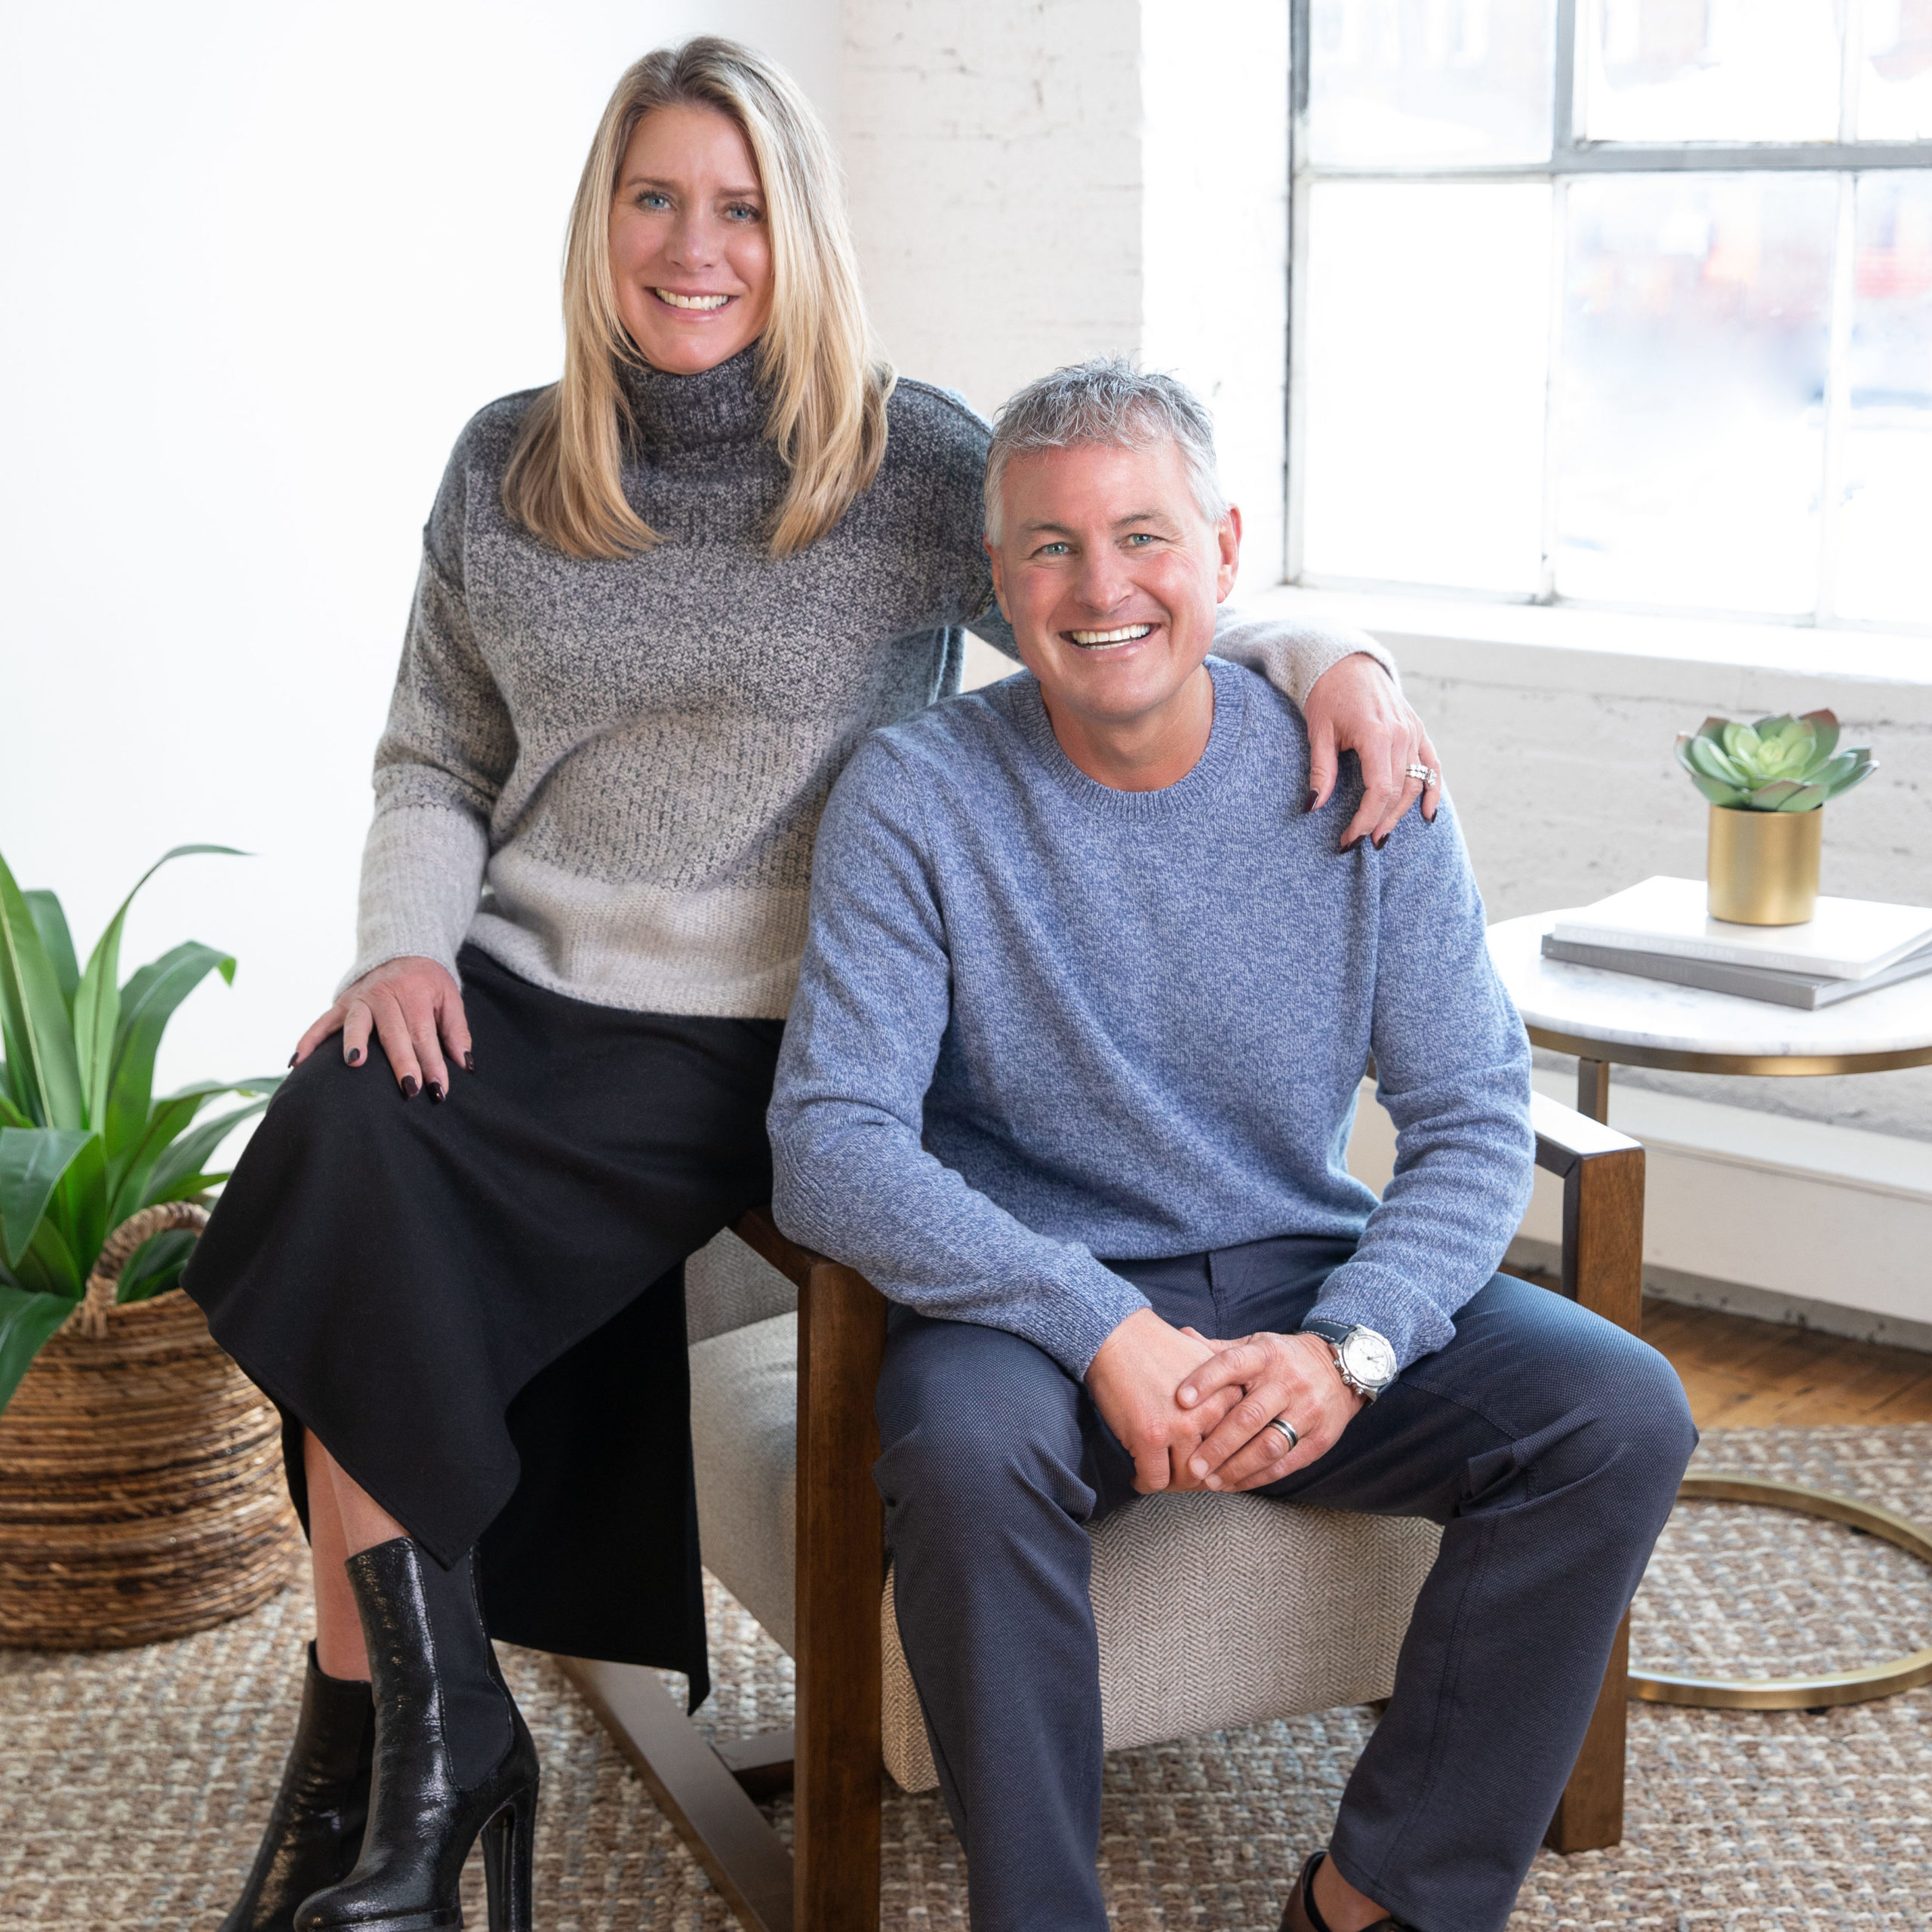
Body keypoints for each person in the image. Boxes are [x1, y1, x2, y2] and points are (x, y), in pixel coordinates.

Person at [182, 38, 1447, 1932]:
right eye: (657, 200)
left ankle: (379, 1769)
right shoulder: (508, 464)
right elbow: (433, 756)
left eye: (741, 209)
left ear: (796, 237)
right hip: (530, 985)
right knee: (337, 1134)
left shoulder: (897, 454)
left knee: (360, 1204)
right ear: (603, 221)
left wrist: (1331, 647)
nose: (696, 248)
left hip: (775, 1026)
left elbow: (1094, 584)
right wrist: (400, 943)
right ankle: (429, 1753)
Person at [768, 358, 1698, 1932]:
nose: (1099, 583)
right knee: (959, 1447)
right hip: (1036, 1297)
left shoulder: (1360, 773)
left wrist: (1348, 1344)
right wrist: (1097, 1324)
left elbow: (1470, 1109)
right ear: (998, 580)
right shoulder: (917, 791)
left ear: (1222, 550)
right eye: (1049, 546)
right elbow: (827, 1143)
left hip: (1298, 1265)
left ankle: (1374, 1897)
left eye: (1142, 534)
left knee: (1617, 1409)